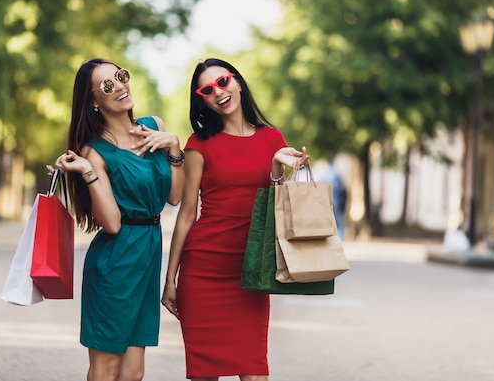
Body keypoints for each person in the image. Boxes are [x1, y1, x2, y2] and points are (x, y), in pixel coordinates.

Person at [161, 58, 308, 380]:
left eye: (223, 82)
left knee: (255, 371)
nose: (219, 92)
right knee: (204, 374)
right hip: (203, 271)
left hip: (251, 272)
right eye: (208, 89)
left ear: (238, 82)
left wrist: (278, 167)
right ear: (202, 99)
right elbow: (187, 214)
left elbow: (276, 205)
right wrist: (170, 278)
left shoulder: (272, 139)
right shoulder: (198, 145)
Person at [52, 58, 184, 381]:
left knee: (134, 373)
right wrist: (86, 172)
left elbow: (175, 197)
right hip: (115, 262)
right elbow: (110, 223)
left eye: (121, 76)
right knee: (106, 368)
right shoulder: (95, 153)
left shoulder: (155, 126)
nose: (122, 86)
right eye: (108, 85)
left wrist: (174, 147)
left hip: (147, 257)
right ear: (94, 101)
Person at [318, 156, 347, 240]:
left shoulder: (325, 171)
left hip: (328, 196)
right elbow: (341, 184)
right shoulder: (336, 171)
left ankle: (331, 233)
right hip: (335, 197)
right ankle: (340, 233)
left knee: (330, 215)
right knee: (338, 216)